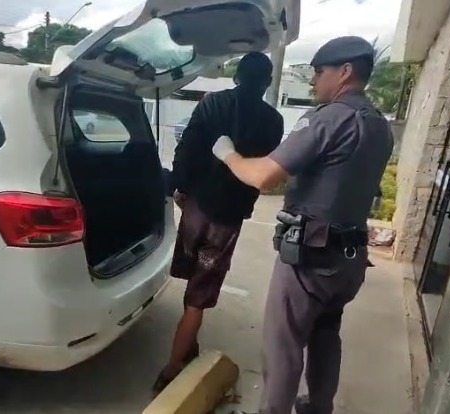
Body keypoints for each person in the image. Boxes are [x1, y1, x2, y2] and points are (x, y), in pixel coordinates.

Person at [212, 36, 393, 414]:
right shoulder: (379, 125)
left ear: (345, 72)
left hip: (311, 257)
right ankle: (318, 407)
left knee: (284, 345)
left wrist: (228, 155)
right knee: (326, 335)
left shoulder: (328, 118)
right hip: (349, 259)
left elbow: (264, 176)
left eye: (318, 71)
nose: (313, 80)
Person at [153, 52, 285, 393]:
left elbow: (187, 148)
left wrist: (181, 188)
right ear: (267, 82)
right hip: (227, 218)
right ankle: (172, 368)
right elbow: (265, 171)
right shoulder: (273, 121)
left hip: (197, 207)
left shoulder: (212, 103)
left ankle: (186, 346)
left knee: (192, 279)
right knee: (199, 295)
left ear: (237, 76)